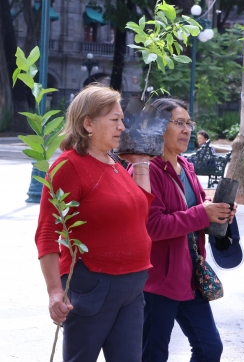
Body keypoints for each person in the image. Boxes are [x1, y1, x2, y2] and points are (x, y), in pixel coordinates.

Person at [35, 84, 154, 362]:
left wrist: (140, 164)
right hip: (93, 283)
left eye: (122, 119)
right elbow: (46, 232)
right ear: (88, 123)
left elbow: (139, 213)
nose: (123, 127)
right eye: (115, 119)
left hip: (132, 285)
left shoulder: (114, 164)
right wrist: (54, 291)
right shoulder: (68, 167)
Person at [141, 97, 237, 362]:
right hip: (158, 280)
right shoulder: (146, 170)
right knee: (152, 354)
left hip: (191, 274)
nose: (187, 130)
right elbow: (152, 226)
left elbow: (193, 206)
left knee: (209, 348)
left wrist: (216, 211)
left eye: (189, 123)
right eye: (179, 123)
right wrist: (201, 214)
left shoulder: (185, 166)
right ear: (159, 127)